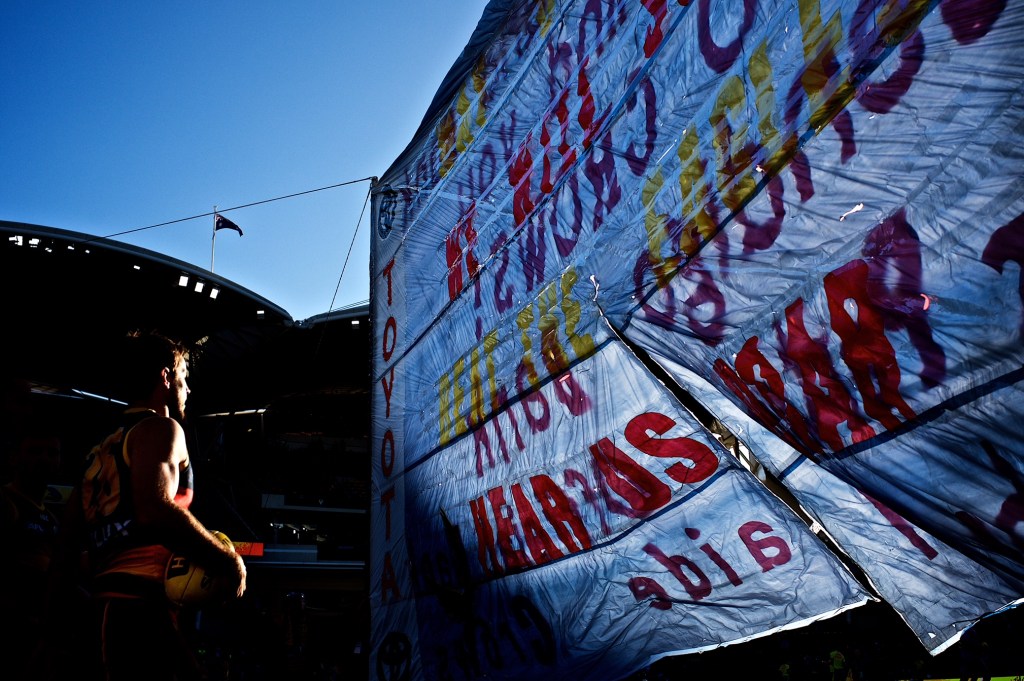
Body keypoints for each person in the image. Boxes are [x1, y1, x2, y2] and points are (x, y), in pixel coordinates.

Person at [66, 331, 247, 681]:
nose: (188, 389)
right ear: (166, 377)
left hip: (104, 607)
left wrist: (51, 627)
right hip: (138, 607)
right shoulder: (162, 429)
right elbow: (155, 510)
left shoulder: (100, 450)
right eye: (184, 378)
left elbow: (67, 543)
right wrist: (229, 562)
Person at [0, 416, 62, 680]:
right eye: (35, 451)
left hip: (39, 634)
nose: (44, 459)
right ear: (14, 457)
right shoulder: (5, 502)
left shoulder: (51, 518)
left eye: (52, 453)